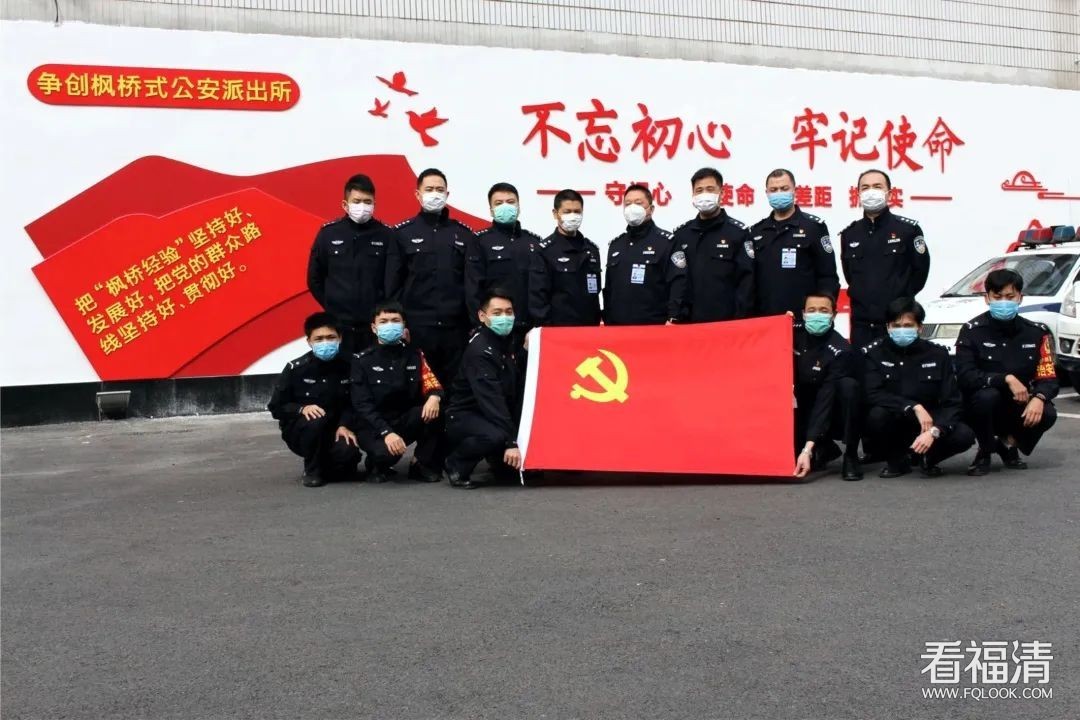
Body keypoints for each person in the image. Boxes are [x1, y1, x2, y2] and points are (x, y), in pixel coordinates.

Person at [954, 269, 1059, 476]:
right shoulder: (972, 330)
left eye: (1010, 297)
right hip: (980, 403)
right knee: (987, 397)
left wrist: (1039, 397)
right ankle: (985, 450)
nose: (1004, 302)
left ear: (1020, 298)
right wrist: (1005, 379)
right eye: (998, 296)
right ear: (987, 298)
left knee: (1047, 412)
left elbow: (1049, 377)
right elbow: (965, 375)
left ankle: (1008, 443)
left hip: (1018, 402)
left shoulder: (1037, 332)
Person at [385, 168, 475, 391]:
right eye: (429, 189)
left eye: (439, 189)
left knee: (455, 388)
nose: (435, 194)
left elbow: (471, 284)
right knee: (418, 389)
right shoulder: (402, 233)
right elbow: (393, 284)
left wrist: (473, 323)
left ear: (447, 194)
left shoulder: (463, 234)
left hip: (455, 329)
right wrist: (399, 324)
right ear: (418, 194)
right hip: (417, 328)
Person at [863, 298, 975, 478]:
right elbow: (873, 393)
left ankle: (928, 458)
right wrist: (912, 406)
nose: (901, 330)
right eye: (896, 325)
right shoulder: (874, 353)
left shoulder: (938, 354)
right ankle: (897, 460)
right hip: (896, 419)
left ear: (920, 328)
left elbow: (952, 402)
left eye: (908, 325)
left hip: (929, 421)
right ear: (888, 327)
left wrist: (936, 430)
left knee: (964, 435)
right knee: (876, 416)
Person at [348, 301, 445, 484]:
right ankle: (376, 465)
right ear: (374, 328)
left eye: (395, 320)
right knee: (385, 455)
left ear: (403, 325)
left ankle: (420, 464)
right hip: (374, 425)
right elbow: (362, 405)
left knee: (436, 410)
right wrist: (386, 432)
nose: (390, 325)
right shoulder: (361, 361)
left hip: (402, 420)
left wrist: (434, 396)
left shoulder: (415, 355)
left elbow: (432, 382)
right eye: (384, 321)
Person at [839, 169, 930, 349]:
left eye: (877, 186)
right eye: (865, 187)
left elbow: (920, 273)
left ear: (890, 193)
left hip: (896, 324)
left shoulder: (908, 230)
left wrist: (900, 299)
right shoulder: (850, 234)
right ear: (857, 194)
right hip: (862, 326)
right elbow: (850, 275)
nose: (871, 191)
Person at [267, 312, 360, 487]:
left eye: (331, 337)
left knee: (347, 457)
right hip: (304, 431)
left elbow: (355, 402)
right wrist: (302, 409)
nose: (325, 343)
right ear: (309, 341)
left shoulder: (351, 365)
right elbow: (276, 407)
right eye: (319, 339)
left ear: (340, 338)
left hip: (337, 428)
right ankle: (312, 470)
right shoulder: (296, 369)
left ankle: (330, 463)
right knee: (315, 418)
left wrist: (345, 424)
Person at [443, 288, 522, 489]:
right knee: (495, 436)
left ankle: (498, 461)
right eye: (497, 313)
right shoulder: (481, 350)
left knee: (510, 473)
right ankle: (456, 464)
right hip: (465, 415)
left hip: (490, 412)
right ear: (482, 316)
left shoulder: (507, 341)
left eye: (509, 312)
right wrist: (512, 442)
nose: (504, 317)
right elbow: (492, 401)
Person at [306, 174, 392, 354]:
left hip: (373, 327)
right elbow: (314, 279)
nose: (362, 206)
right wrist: (332, 305)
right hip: (339, 327)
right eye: (357, 201)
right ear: (345, 205)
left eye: (367, 202)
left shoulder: (386, 235)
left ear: (374, 204)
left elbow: (393, 280)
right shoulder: (328, 234)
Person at [792, 291, 862, 481]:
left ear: (833, 315)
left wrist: (807, 448)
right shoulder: (791, 330)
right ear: (803, 313)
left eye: (823, 311)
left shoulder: (840, 350)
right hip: (801, 399)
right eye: (811, 310)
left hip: (831, 405)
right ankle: (824, 447)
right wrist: (779, 322)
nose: (817, 315)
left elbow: (826, 397)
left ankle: (851, 454)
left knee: (849, 386)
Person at [751, 169, 840, 316]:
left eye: (784, 188)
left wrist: (820, 313)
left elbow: (827, 276)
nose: (779, 193)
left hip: (803, 319)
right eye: (774, 190)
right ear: (766, 193)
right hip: (767, 319)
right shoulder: (757, 232)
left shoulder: (813, 227)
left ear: (794, 190)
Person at [673, 168, 754, 322]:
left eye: (710, 189)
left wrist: (739, 321)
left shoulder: (738, 233)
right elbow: (676, 282)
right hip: (688, 323)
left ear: (721, 194)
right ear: (693, 195)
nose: (704, 194)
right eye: (699, 190)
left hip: (725, 323)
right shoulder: (681, 235)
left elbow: (746, 283)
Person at [603, 184, 687, 325]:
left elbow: (678, 282)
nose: (632, 208)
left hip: (654, 326)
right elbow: (609, 289)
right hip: (617, 327)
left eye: (638, 203)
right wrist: (607, 319)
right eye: (628, 204)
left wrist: (673, 317)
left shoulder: (666, 242)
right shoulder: (616, 245)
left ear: (651, 209)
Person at [466, 182, 543, 334]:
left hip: (529, 328)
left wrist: (539, 325)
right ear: (491, 210)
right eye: (499, 203)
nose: (505, 206)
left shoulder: (534, 242)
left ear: (518, 207)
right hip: (495, 327)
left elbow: (541, 288)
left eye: (510, 202)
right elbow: (473, 289)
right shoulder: (480, 241)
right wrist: (480, 326)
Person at [529, 189, 603, 327]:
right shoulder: (544, 251)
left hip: (589, 328)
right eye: (567, 211)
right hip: (558, 329)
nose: (573, 216)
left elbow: (595, 293)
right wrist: (548, 329)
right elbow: (538, 298)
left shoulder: (591, 250)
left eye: (577, 211)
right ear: (555, 213)